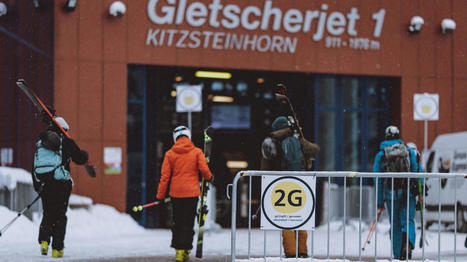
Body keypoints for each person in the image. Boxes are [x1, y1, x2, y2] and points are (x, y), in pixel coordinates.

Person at [261, 116, 319, 258]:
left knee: (286, 219)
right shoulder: (296, 140)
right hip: (300, 183)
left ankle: (291, 252)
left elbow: (269, 163)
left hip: (282, 183)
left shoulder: (274, 142)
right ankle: (302, 250)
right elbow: (314, 149)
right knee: (300, 218)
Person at [32, 116, 89, 258]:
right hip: (61, 184)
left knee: (48, 212)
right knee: (60, 216)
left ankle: (44, 242)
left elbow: (34, 166)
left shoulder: (41, 143)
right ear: (64, 129)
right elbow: (79, 158)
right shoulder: (66, 141)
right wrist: (85, 155)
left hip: (44, 183)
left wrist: (38, 186)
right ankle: (57, 249)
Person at [156, 126, 212, 262]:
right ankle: (185, 250)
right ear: (189, 136)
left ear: (175, 138)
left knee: (177, 222)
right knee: (188, 222)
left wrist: (160, 196)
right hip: (192, 193)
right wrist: (209, 177)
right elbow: (204, 170)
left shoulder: (170, 154)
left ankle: (179, 251)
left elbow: (164, 177)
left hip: (176, 194)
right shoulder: (197, 152)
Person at [373, 126, 420, 260]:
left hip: (391, 194)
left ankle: (398, 253)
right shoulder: (408, 151)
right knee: (408, 220)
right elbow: (418, 171)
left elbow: (378, 180)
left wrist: (379, 202)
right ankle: (408, 243)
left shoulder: (381, 155)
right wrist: (420, 193)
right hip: (408, 192)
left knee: (395, 224)